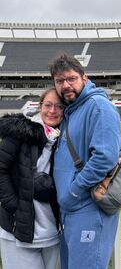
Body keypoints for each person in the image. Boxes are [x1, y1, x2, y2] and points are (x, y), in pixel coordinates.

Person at [49, 54, 121, 269]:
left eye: (71, 79)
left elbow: (105, 158)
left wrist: (73, 191)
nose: (65, 85)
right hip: (71, 211)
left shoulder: (99, 107)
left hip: (88, 208)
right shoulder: (72, 110)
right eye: (59, 81)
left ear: (85, 78)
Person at [0, 88, 64, 269]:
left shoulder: (64, 139)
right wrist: (13, 204)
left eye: (59, 107)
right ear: (40, 106)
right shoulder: (19, 132)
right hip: (18, 231)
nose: (52, 111)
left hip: (53, 232)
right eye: (48, 105)